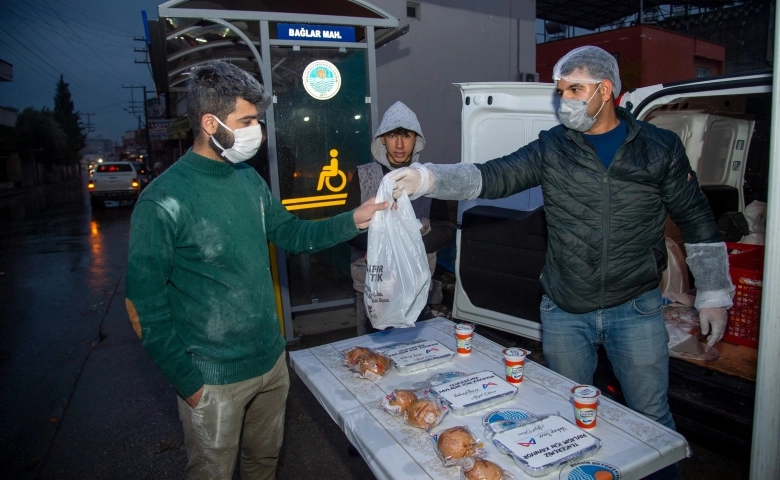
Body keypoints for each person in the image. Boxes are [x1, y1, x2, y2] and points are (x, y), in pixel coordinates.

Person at [389, 46, 733, 477]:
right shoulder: (554, 146)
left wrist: (714, 292)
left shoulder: (658, 148)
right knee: (567, 416)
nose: (564, 99)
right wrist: (430, 177)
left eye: (575, 89)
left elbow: (696, 217)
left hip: (636, 307)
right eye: (560, 90)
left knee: (651, 420)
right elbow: (494, 175)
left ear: (605, 91)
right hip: (566, 309)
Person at [124, 61, 386, 480]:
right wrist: (189, 382)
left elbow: (292, 234)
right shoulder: (164, 200)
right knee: (213, 473)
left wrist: (354, 218)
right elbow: (144, 305)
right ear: (210, 123)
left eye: (257, 121)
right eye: (246, 121)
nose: (256, 132)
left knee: (264, 465)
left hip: (270, 364)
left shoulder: (248, 179)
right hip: (212, 380)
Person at [347, 101, 455, 335]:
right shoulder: (364, 176)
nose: (399, 144)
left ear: (416, 140)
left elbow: (445, 227)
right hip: (374, 286)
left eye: (406, 136)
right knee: (372, 353)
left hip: (415, 283)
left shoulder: (427, 179)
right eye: (393, 135)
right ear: (382, 139)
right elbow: (348, 226)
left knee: (415, 349)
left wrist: (413, 247)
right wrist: (379, 248)